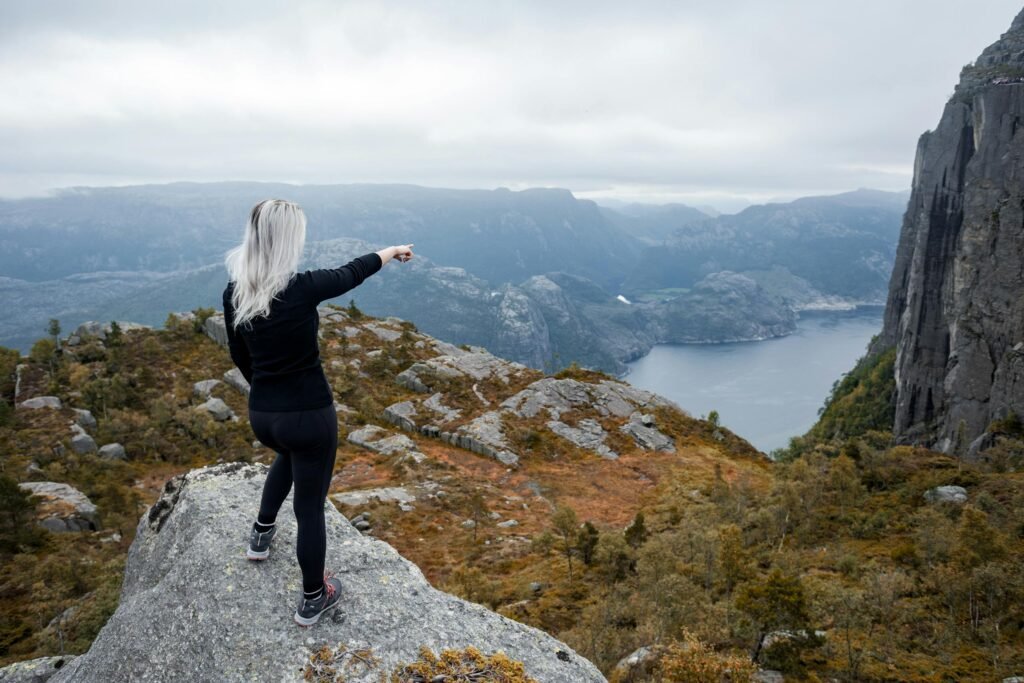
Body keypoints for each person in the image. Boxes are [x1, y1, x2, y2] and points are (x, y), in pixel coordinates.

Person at [221, 198, 414, 627]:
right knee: (309, 508)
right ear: (290, 239)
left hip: (264, 416)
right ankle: (314, 597)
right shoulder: (302, 287)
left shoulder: (236, 292)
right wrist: (392, 250)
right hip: (310, 416)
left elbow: (239, 355)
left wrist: (267, 392)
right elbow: (353, 272)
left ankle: (260, 535)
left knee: (287, 456)